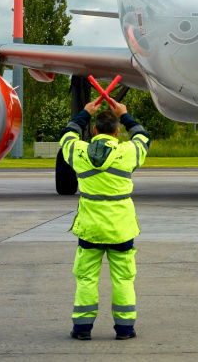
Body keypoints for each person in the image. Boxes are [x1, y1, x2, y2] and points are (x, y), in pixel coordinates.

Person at [59, 96, 150, 341]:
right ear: (117, 132)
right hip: (121, 229)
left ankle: (82, 329)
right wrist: (125, 114)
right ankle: (125, 329)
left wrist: (85, 113)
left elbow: (67, 136)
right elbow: (142, 137)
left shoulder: (79, 152)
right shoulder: (128, 152)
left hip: (90, 229)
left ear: (95, 130)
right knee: (123, 279)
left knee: (86, 278)